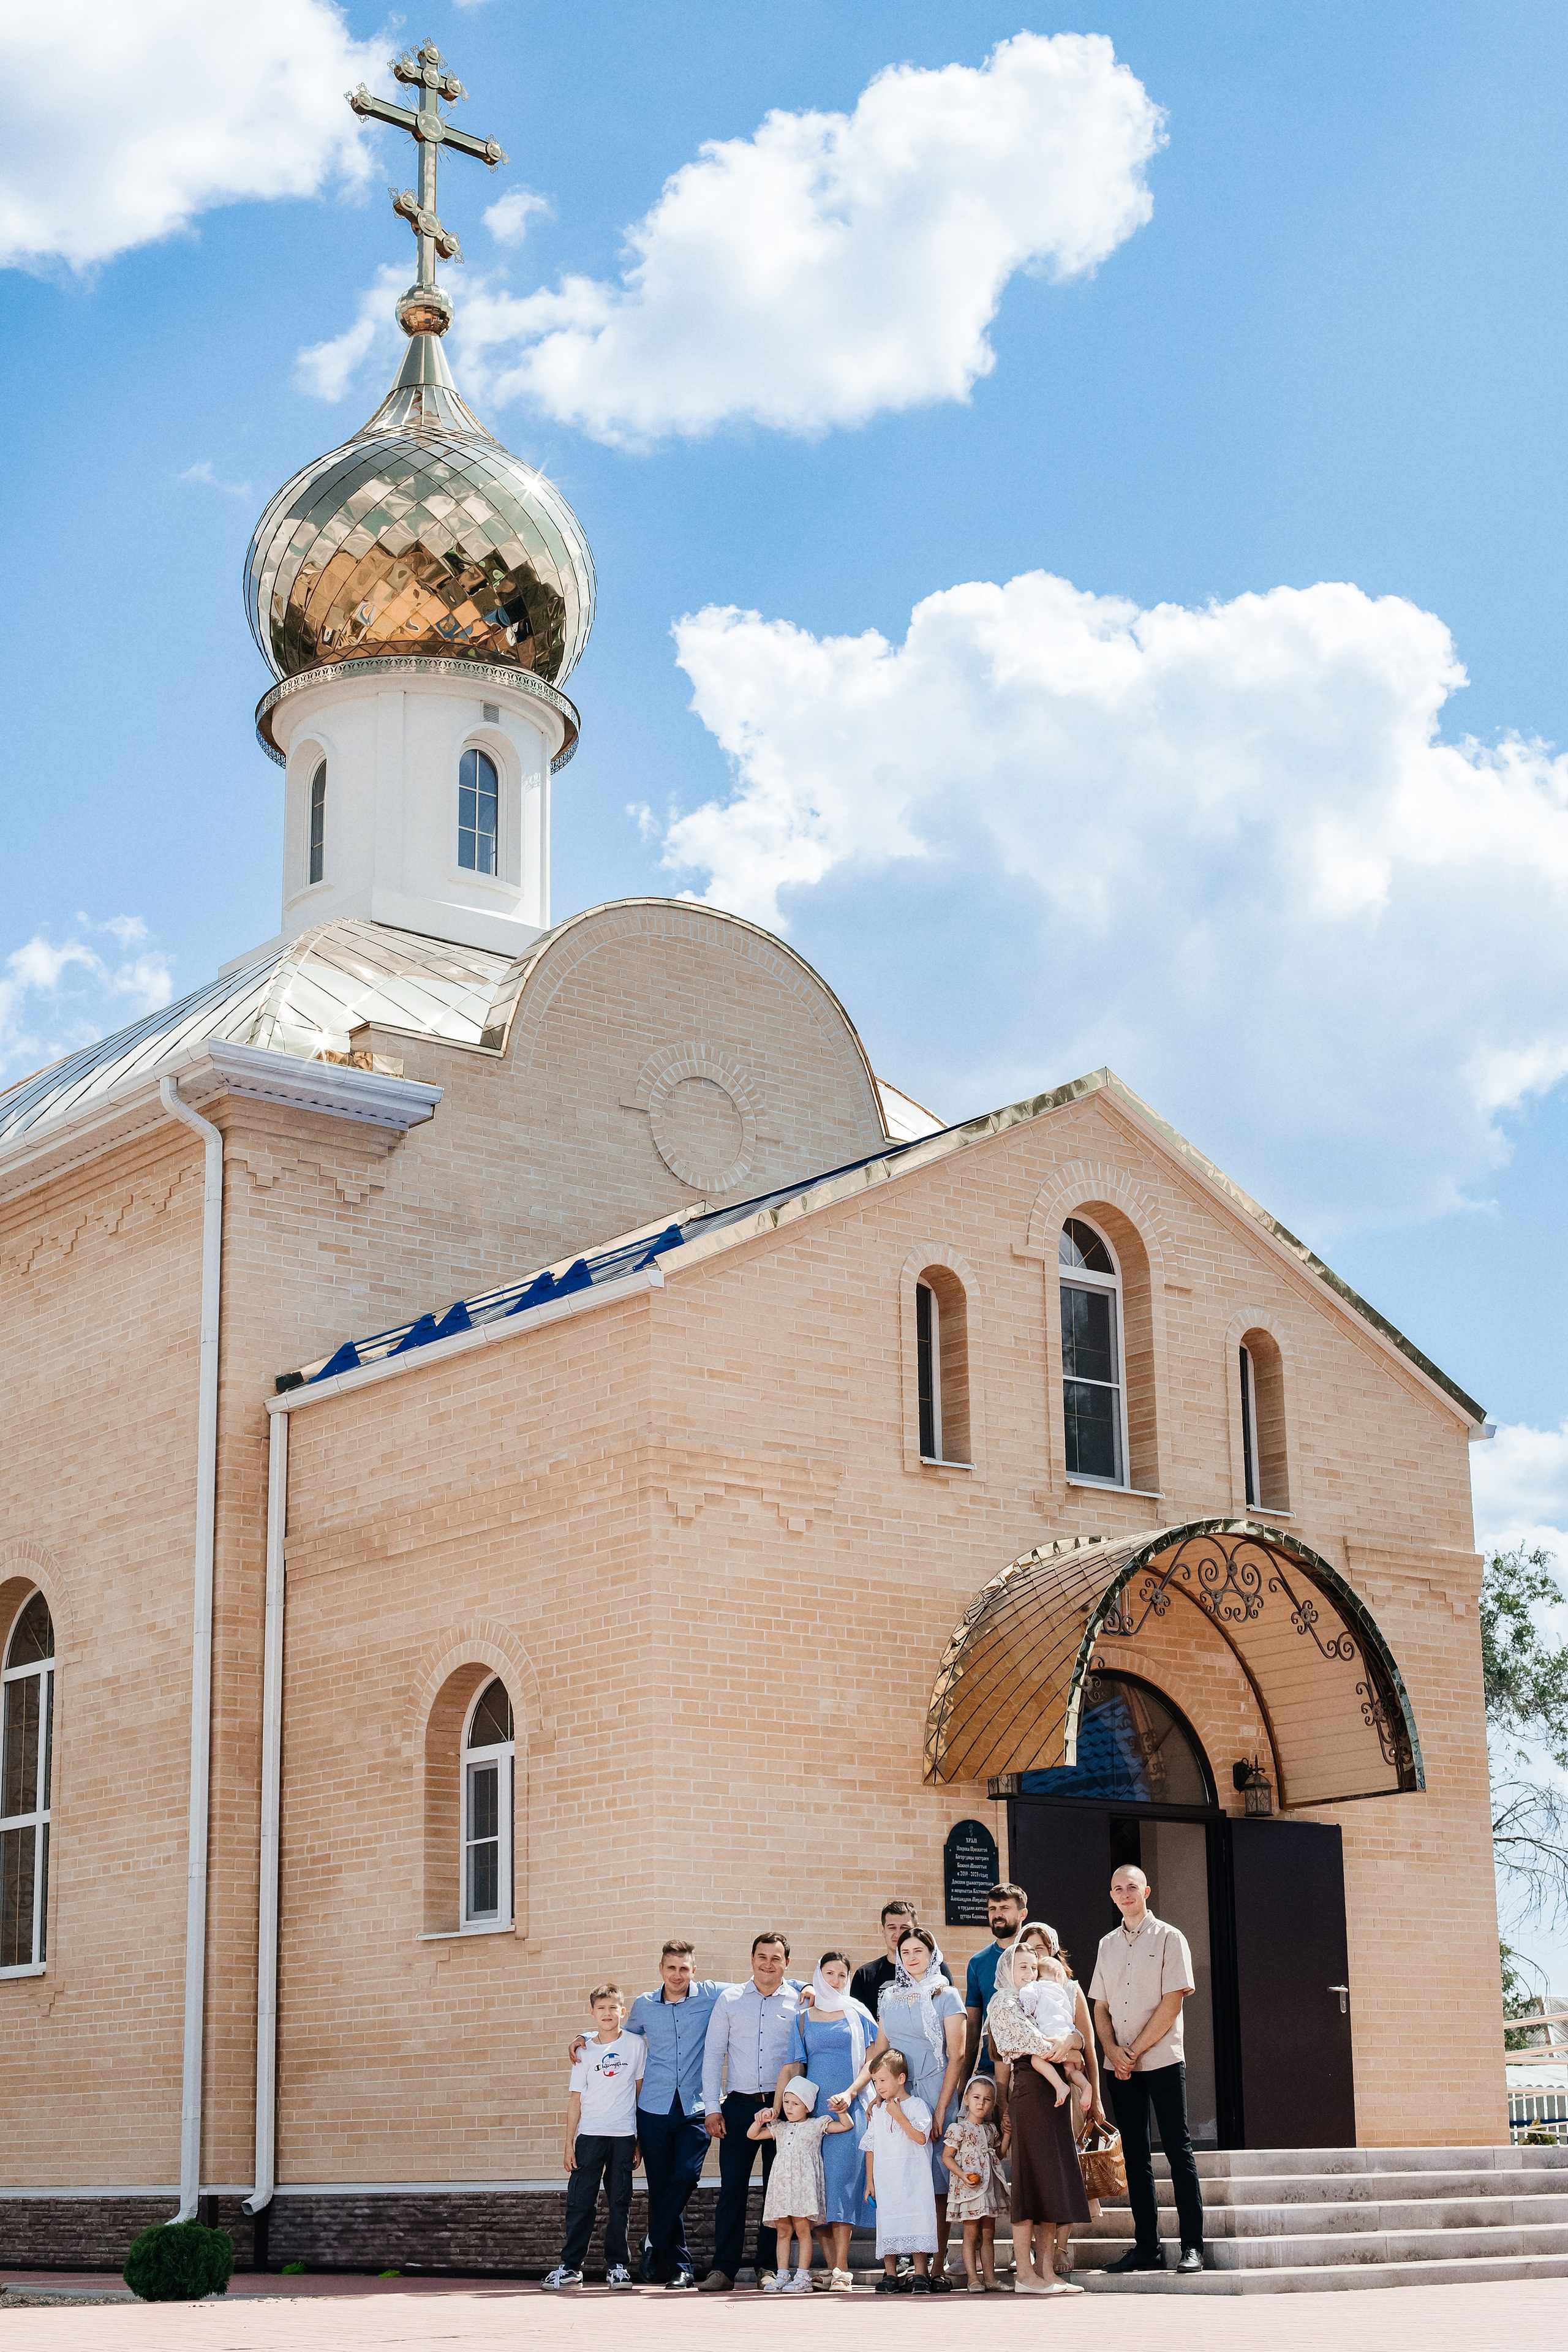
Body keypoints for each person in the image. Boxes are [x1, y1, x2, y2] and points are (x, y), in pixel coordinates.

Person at [578, 1941, 723, 2288]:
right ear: (661, 1969)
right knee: (660, 2189)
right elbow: (615, 2033)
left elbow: (759, 1985)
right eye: (671, 1968)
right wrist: (584, 2036)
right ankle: (679, 2268)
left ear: (694, 1970)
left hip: (696, 2106)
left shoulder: (713, 1995)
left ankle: (652, 2240)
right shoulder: (643, 2005)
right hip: (654, 2109)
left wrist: (805, 1986)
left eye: (684, 1969)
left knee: (686, 2177)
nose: (678, 1975)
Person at [835, 1924, 965, 2292]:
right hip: (897, 2092)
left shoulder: (946, 1995)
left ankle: (935, 2267)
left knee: (936, 2184)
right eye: (905, 1952)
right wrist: (867, 2090)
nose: (911, 1958)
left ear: (931, 1954)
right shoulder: (889, 1997)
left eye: (918, 1952)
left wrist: (941, 2110)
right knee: (902, 2180)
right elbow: (878, 2050)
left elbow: (956, 2054)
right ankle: (901, 2264)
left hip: (936, 2090)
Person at [1089, 1864, 1205, 2277]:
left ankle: (1193, 2246)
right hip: (1119, 2065)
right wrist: (1111, 2051)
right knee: (1136, 2155)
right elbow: (1099, 2007)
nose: (1125, 1893)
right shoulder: (1107, 1945)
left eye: (1132, 1887)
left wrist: (1133, 2051)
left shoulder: (1171, 1938)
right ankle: (1147, 2248)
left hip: (1162, 2060)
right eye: (1118, 1888)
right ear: (1112, 1895)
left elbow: (1172, 2003)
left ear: (1146, 1891)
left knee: (1178, 2149)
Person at [696, 1932, 802, 2293]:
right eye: (762, 1957)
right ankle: (723, 2269)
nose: (768, 1964)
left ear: (786, 1962)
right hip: (739, 2106)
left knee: (778, 2191)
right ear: (752, 1959)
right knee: (733, 2190)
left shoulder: (800, 2000)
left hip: (783, 2108)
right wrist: (712, 2108)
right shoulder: (730, 1999)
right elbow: (713, 2055)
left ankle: (768, 2268)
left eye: (776, 1958)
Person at [987, 1932, 1088, 2296]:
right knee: (1030, 2183)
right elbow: (1030, 2044)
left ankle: (1047, 2272)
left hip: (1056, 2095)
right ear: (1007, 1970)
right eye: (1022, 1967)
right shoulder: (1003, 2003)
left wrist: (1071, 2042)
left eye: (1034, 1966)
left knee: (1052, 2182)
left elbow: (1074, 2034)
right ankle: (1025, 2274)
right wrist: (1066, 2045)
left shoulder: (1044, 1998)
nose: (1030, 1973)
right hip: (1030, 2091)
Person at [774, 1951, 876, 2290]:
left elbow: (872, 2061)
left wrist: (850, 2093)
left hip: (848, 2109)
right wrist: (778, 2110)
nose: (835, 1980)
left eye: (841, 1975)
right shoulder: (802, 2019)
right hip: (812, 2113)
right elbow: (792, 2068)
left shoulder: (858, 2014)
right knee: (815, 2188)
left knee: (842, 2184)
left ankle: (842, 2268)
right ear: (818, 1976)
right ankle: (832, 2270)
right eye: (829, 1973)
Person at [543, 1983, 646, 2291]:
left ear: (622, 2012)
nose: (607, 2013)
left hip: (623, 2135)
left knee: (620, 2202)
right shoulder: (584, 2050)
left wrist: (639, 2140)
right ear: (592, 2013)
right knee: (580, 2203)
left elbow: (640, 2093)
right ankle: (571, 2267)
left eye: (613, 2008)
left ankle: (617, 2267)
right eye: (601, 2008)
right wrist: (568, 2144)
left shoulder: (636, 2045)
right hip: (589, 2136)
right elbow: (575, 2099)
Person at [1016, 1921, 1105, 2280]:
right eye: (1029, 1950)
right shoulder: (1018, 1991)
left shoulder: (1068, 1988)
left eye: (1040, 1949)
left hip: (1067, 2090)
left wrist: (1094, 2095)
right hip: (1034, 2091)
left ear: (1052, 1951)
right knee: (1041, 2176)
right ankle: (1038, 2258)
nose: (1035, 1956)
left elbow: (1086, 2040)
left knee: (1064, 2171)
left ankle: (1061, 2248)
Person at [749, 2078, 853, 2294]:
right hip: (782, 2188)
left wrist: (840, 2110)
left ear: (807, 2106)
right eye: (786, 2102)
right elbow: (753, 2135)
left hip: (802, 2188)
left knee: (803, 2230)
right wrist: (760, 2119)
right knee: (783, 2231)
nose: (789, 2108)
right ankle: (783, 2274)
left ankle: (803, 2276)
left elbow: (846, 2125)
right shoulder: (780, 2128)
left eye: (795, 2104)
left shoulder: (816, 2125)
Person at [859, 2049, 938, 2292]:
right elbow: (870, 2146)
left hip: (914, 2179)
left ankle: (921, 2273)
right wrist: (869, 2181)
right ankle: (891, 2274)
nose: (878, 2087)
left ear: (901, 2079)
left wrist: (900, 2116)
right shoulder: (879, 2111)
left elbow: (921, 2137)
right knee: (888, 2222)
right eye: (875, 2082)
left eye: (883, 2080)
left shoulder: (916, 2105)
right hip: (887, 2179)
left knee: (917, 2220)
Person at [940, 2076, 1008, 2291]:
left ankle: (991, 2279)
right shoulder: (958, 2129)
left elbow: (999, 2154)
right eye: (976, 2097)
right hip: (969, 2191)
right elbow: (947, 2157)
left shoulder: (990, 2130)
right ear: (966, 2099)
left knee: (989, 2235)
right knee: (970, 2236)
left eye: (987, 2100)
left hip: (989, 2189)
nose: (981, 2103)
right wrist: (962, 2174)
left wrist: (1007, 2134)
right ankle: (973, 2279)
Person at [962, 1882, 1029, 2092]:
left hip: (1031, 2069)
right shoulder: (978, 1962)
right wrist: (964, 2083)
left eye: (1005, 1908)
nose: (997, 1914)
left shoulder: (1037, 1957)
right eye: (993, 1909)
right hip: (989, 2070)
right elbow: (973, 2027)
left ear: (1022, 1914)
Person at [850, 1899, 954, 2018]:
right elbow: (859, 2023)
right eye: (892, 1928)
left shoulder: (937, 1968)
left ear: (916, 1929)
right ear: (883, 1931)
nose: (898, 1934)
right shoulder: (865, 1975)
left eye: (904, 1928)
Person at [1017, 1959, 1094, 2111]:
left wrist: (1028, 2010)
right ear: (1058, 1975)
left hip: (1050, 2035)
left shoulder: (1037, 1985)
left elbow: (1027, 1994)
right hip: (1066, 2034)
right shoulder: (1062, 1992)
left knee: (1037, 2060)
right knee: (1071, 2071)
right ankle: (1085, 2085)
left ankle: (1060, 2086)